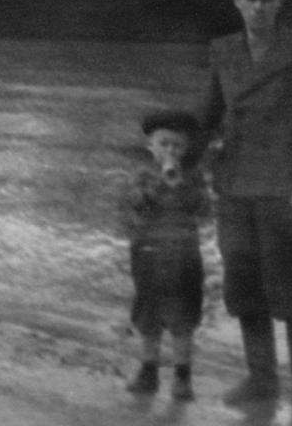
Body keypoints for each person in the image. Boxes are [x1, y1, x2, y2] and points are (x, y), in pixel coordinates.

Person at [198, 0, 292, 415]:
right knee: (244, 285)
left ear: (280, 3)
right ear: (237, 2)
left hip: (284, 188)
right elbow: (209, 114)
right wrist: (178, 163)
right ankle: (261, 380)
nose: (258, 7)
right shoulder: (224, 50)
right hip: (235, 184)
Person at [122, 110, 212, 401]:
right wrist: (162, 181)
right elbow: (137, 206)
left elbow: (204, 210)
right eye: (163, 144)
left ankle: (183, 377)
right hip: (148, 254)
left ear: (186, 149)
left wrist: (183, 184)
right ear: (151, 145)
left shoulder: (194, 175)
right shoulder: (140, 173)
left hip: (184, 256)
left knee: (184, 315)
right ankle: (148, 371)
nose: (170, 151)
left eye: (177, 146)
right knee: (148, 313)